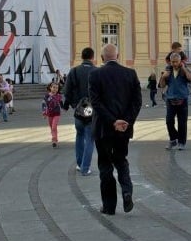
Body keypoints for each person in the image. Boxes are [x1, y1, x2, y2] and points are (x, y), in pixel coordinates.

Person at [89, 44, 142, 215]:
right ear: (118, 56)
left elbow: (95, 103)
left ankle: (109, 206)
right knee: (121, 160)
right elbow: (137, 101)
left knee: (105, 166)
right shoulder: (130, 73)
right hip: (123, 129)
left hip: (104, 128)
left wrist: (113, 121)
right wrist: (126, 121)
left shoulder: (95, 74)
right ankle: (126, 191)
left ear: (102, 58)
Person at [64, 47, 97, 176]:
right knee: (90, 138)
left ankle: (79, 164)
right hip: (92, 111)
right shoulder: (96, 71)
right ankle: (85, 167)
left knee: (79, 136)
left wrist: (70, 105)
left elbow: (67, 91)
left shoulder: (74, 71)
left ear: (82, 57)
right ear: (92, 57)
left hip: (78, 110)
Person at [159, 52, 191, 150]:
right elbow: (162, 85)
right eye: (172, 62)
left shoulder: (184, 70)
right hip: (170, 99)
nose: (174, 64)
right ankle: (173, 139)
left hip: (182, 99)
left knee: (182, 122)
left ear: (180, 61)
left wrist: (183, 68)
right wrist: (163, 77)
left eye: (176, 62)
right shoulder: (168, 70)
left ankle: (181, 142)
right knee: (169, 121)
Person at [42, 81, 64, 147]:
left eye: (57, 88)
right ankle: (55, 137)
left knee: (54, 126)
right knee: (52, 127)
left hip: (57, 113)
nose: (55, 89)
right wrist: (44, 113)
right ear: (50, 88)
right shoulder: (46, 96)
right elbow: (44, 105)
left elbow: (61, 103)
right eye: (54, 87)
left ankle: (54, 140)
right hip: (50, 114)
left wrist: (64, 108)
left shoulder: (59, 96)